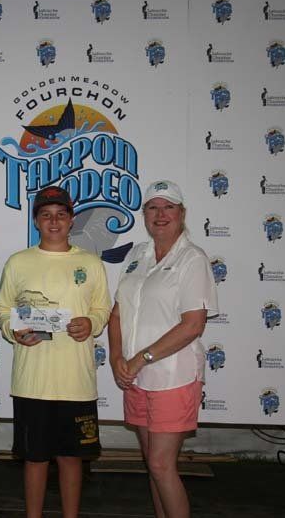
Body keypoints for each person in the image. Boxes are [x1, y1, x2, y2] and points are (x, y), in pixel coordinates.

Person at [0, 186, 111, 518]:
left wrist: (90, 322)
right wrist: (12, 330)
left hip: (76, 381)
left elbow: (103, 309)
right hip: (32, 381)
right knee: (35, 458)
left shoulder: (90, 263)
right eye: (46, 215)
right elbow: (2, 310)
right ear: (36, 221)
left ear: (72, 220)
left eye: (61, 214)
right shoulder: (19, 262)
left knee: (72, 458)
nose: (54, 221)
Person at [108, 180, 218, 518]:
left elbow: (192, 325)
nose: (160, 214)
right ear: (144, 215)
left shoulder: (192, 259)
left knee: (160, 464)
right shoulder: (137, 254)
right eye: (153, 207)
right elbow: (117, 314)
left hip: (173, 377)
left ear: (182, 214)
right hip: (136, 379)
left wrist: (141, 358)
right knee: (152, 466)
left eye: (168, 207)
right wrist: (116, 358)